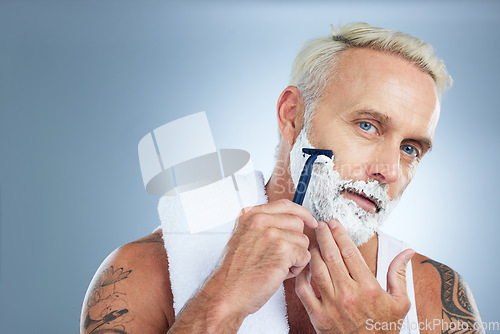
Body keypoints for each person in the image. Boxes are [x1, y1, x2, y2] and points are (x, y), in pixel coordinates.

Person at [80, 22, 484, 333]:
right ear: (292, 115)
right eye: (367, 125)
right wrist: (220, 302)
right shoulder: (145, 271)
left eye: (410, 148)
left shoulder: (434, 295)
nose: (389, 170)